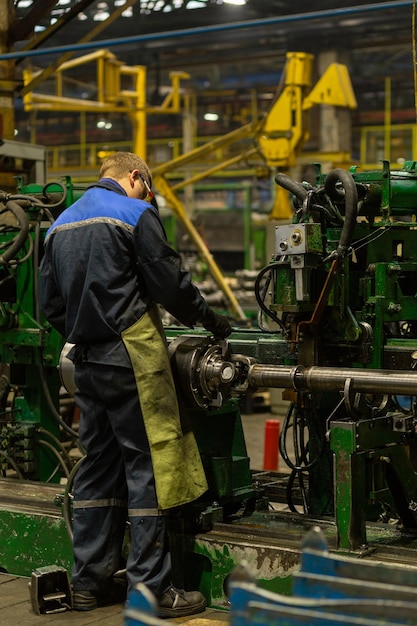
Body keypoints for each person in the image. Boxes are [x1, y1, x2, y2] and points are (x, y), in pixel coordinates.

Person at [39, 151, 232, 616]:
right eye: (147, 186)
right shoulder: (135, 213)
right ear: (134, 176)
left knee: (97, 467)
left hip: (84, 362)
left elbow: (50, 305)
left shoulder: (59, 223)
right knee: (147, 466)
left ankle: (88, 582)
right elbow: (170, 283)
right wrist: (213, 322)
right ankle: (151, 590)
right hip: (131, 361)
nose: (149, 195)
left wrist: (85, 333)